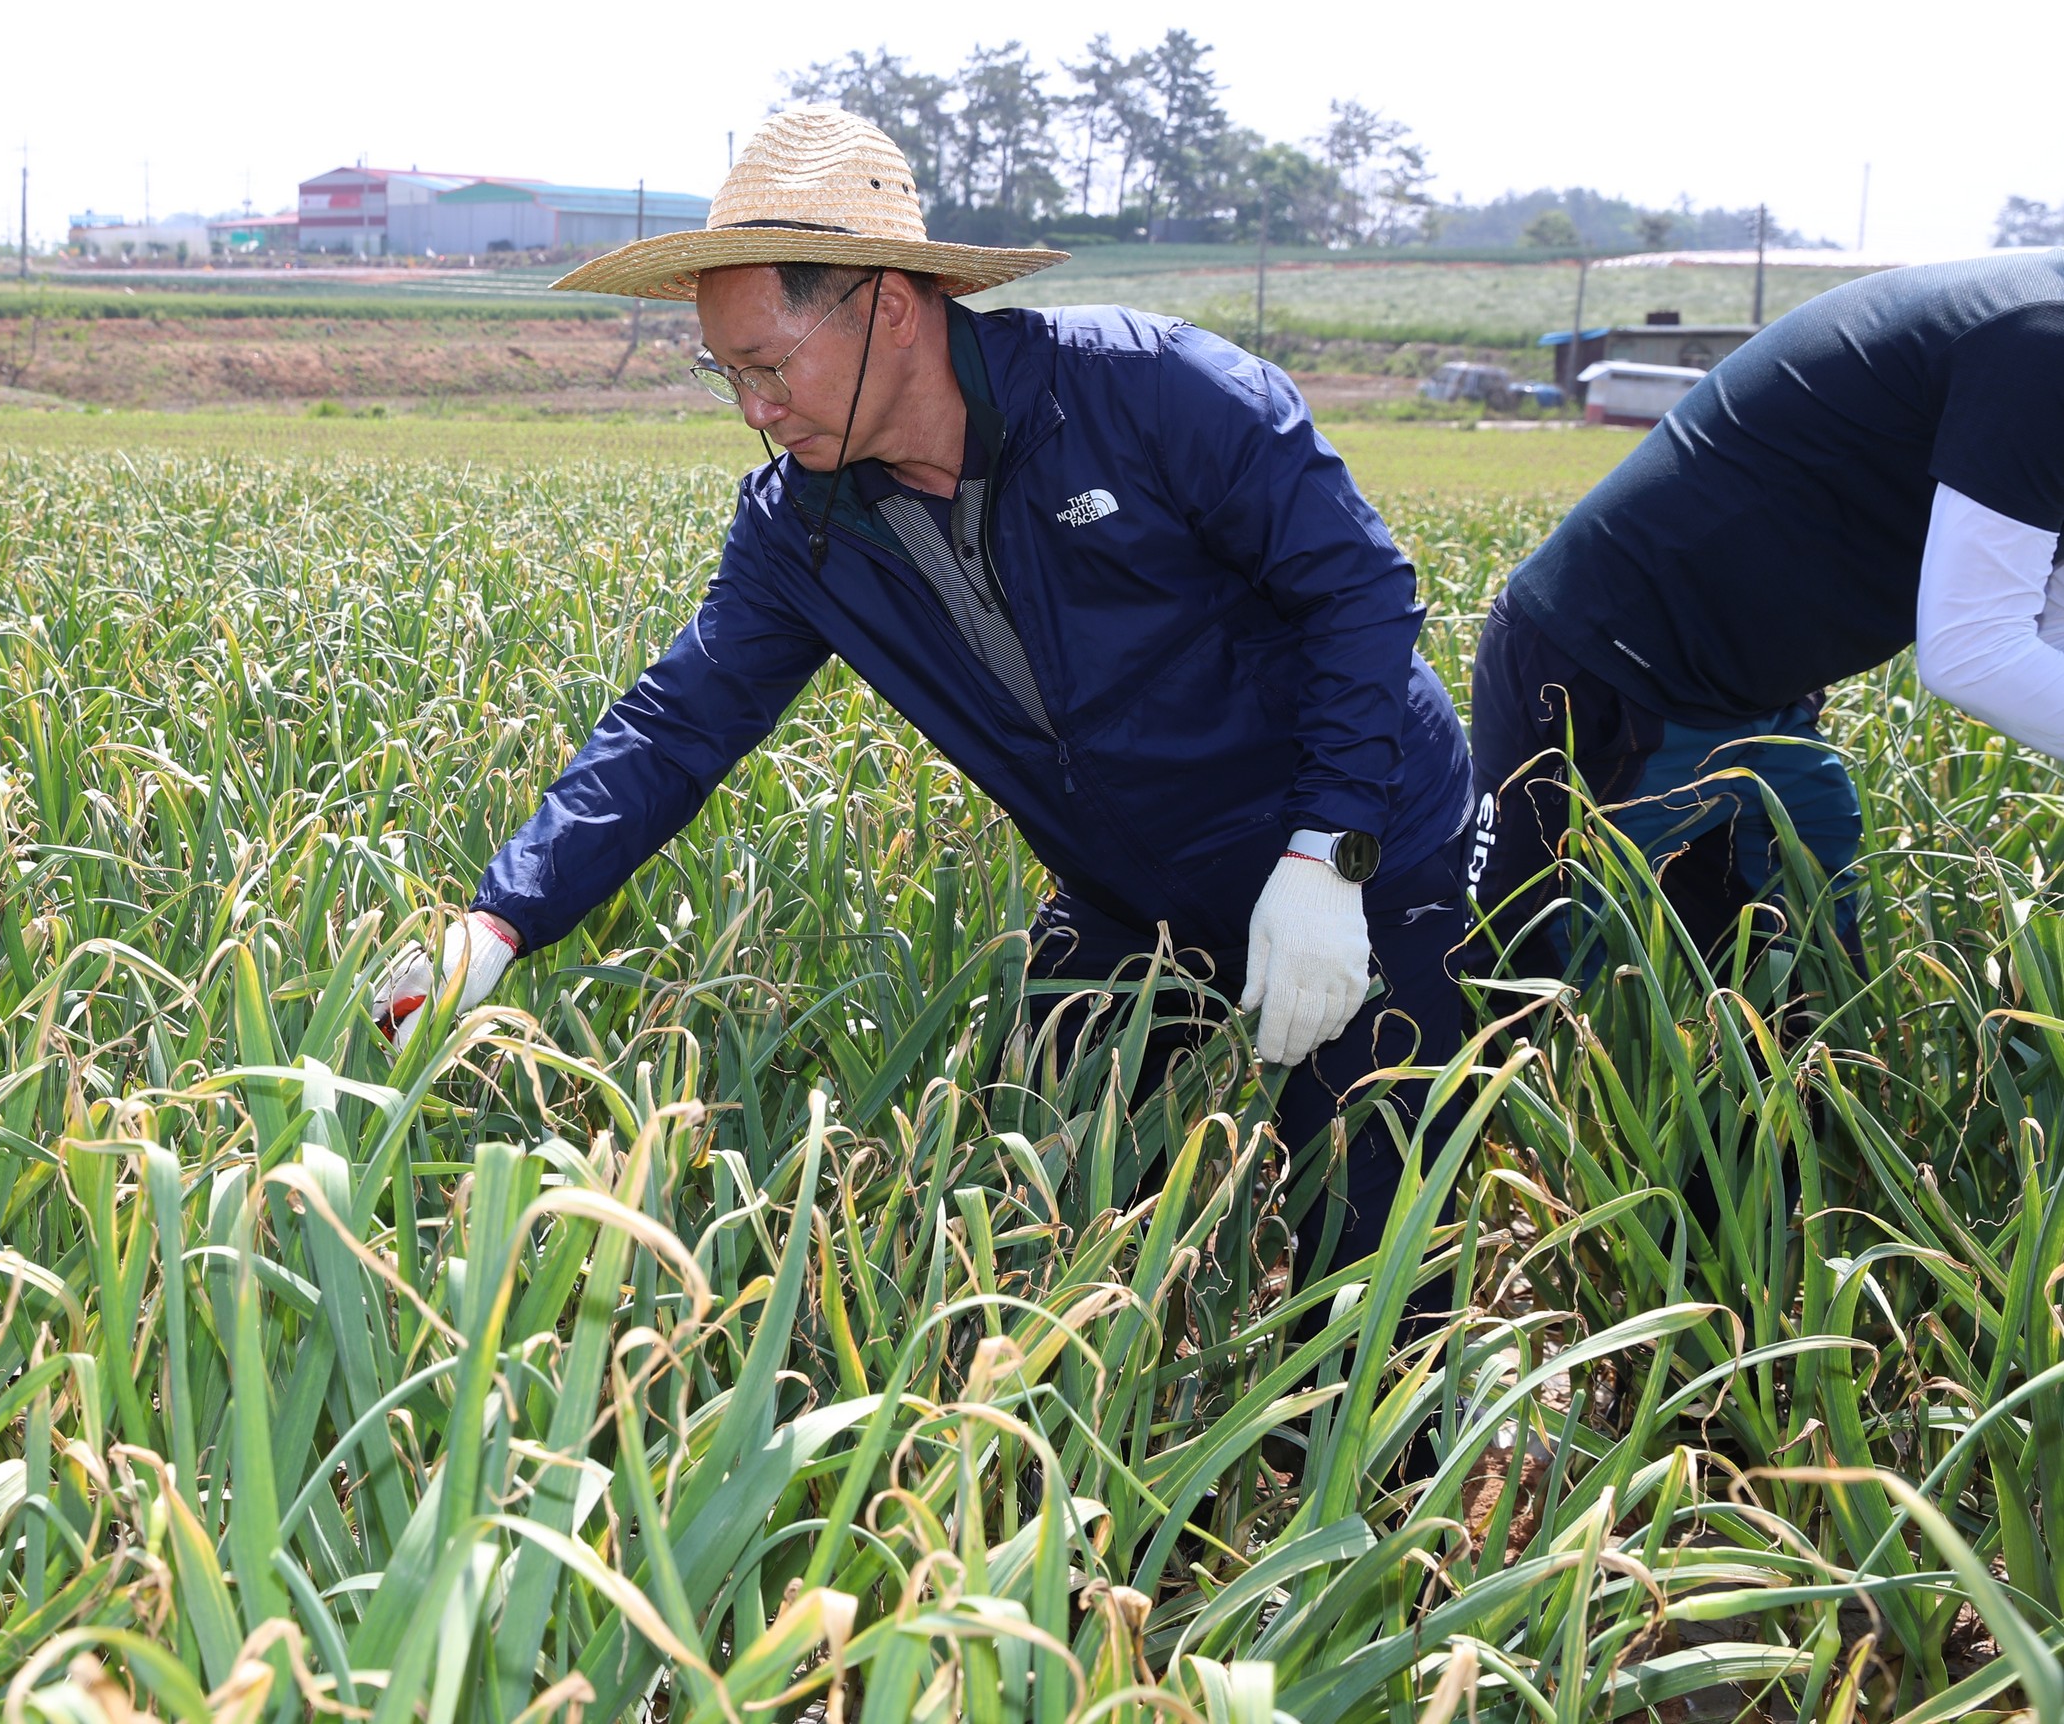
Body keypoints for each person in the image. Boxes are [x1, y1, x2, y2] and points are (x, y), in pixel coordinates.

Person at [376, 109, 1477, 1279]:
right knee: (1048, 1218)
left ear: (889, 307)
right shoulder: (803, 528)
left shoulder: (1148, 395)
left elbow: (1358, 591)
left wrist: (1329, 851)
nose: (754, 408)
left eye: (768, 365)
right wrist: (502, 914)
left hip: (1360, 846)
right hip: (1130, 896)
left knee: (1368, 1263)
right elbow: (676, 723)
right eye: (726, 375)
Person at [1468, 250, 2064, 975]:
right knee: (1513, 983)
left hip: (1759, 692)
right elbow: (1974, 650)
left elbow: (2048, 613)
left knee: (1804, 983)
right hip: (1608, 669)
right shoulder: (2041, 343)